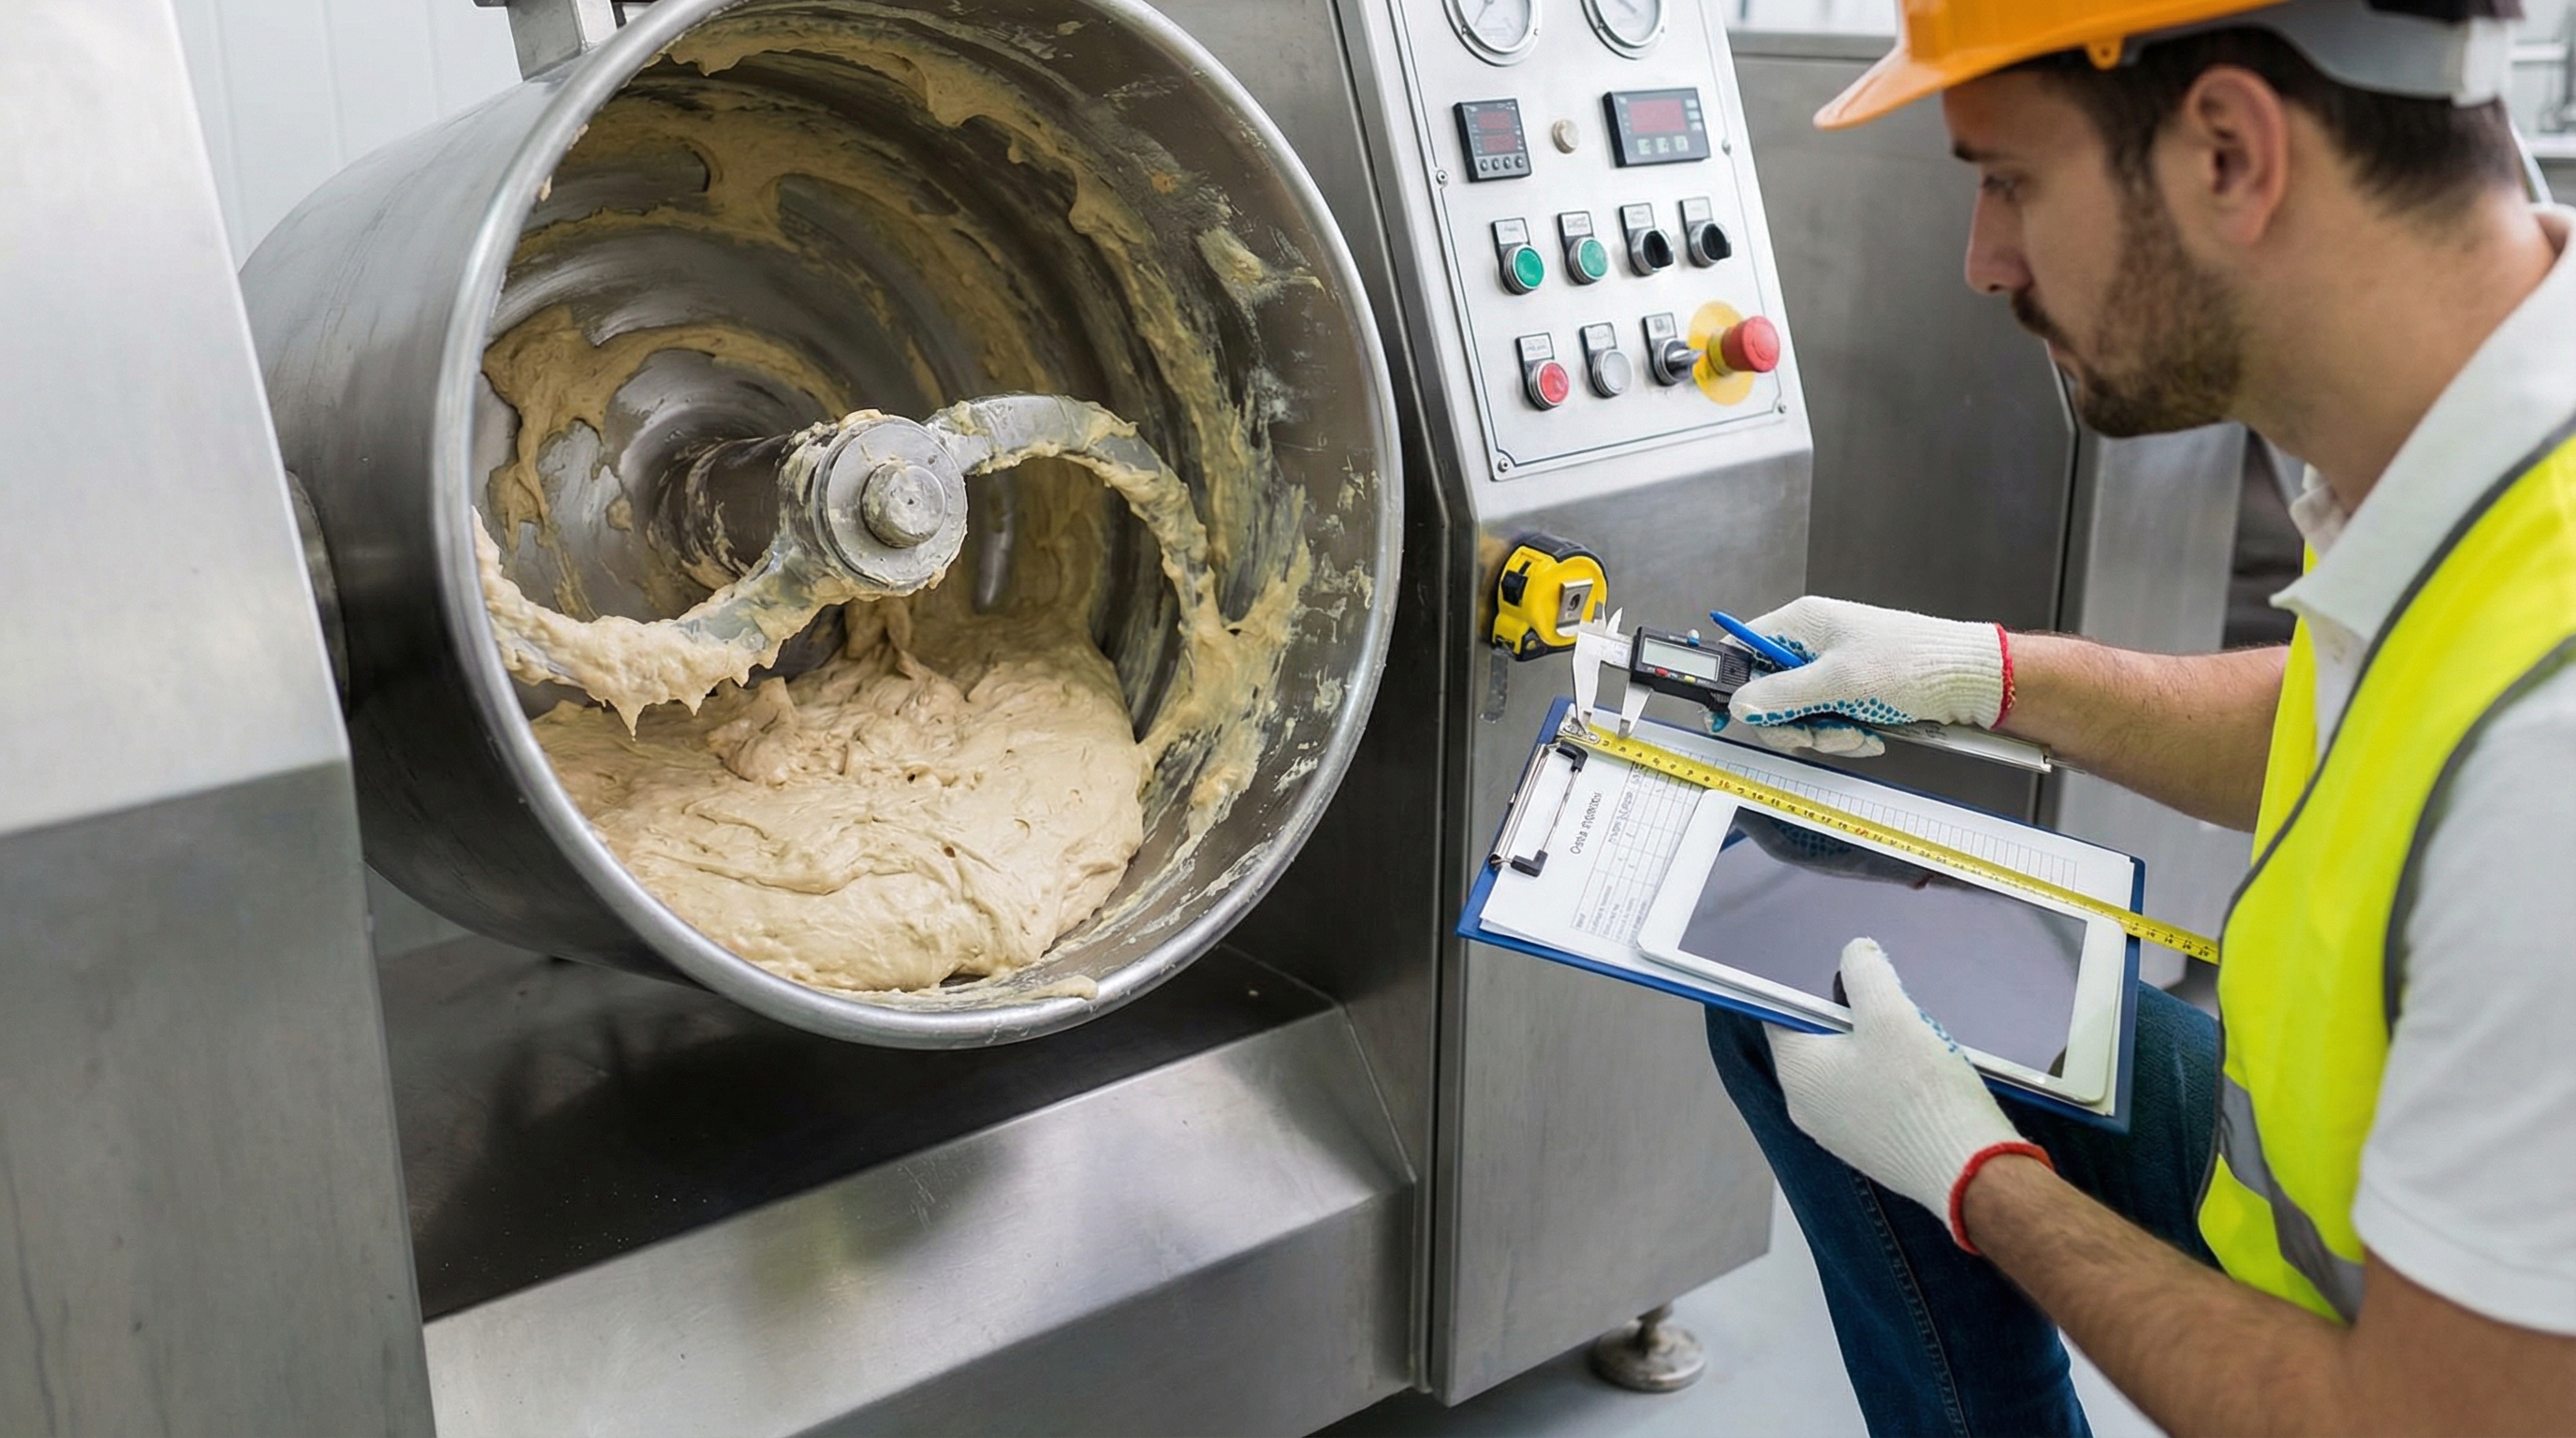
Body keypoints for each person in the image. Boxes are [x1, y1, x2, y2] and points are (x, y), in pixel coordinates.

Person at [1702, 2, 2576, 1433]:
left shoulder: (2558, 766)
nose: (1985, 262)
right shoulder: (2461, 428)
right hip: (2313, 1200)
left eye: (2010, 182)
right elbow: (2355, 715)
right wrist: (1984, 675)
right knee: (1800, 998)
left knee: (1898, 1078)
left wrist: (1984, 1183)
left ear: (2228, 150)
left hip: (2394, 1377)